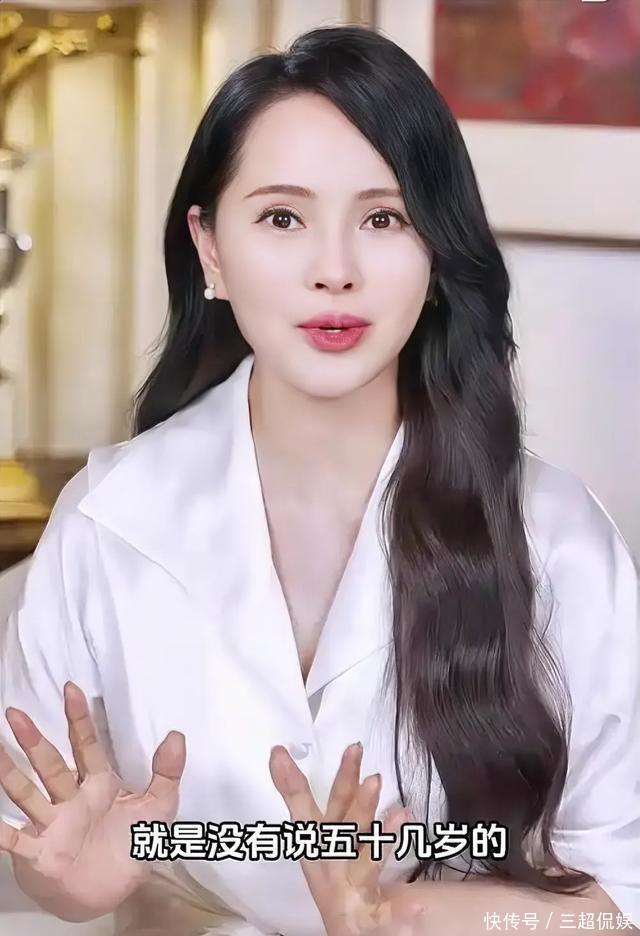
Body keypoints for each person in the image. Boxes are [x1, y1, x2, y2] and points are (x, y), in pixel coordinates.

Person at [0, 23, 638, 936]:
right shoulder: (108, 521)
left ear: (436, 253)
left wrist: (405, 916)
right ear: (210, 249)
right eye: (282, 218)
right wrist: (76, 884)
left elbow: (619, 903)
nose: (334, 271)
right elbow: (50, 853)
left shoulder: (554, 535)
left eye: (383, 219)